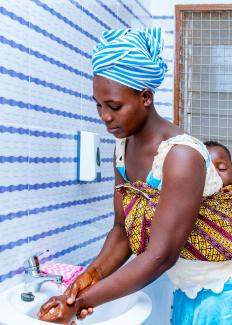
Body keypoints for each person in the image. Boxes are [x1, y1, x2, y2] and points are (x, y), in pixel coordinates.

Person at [37, 27, 232, 325]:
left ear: (145, 97)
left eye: (114, 106)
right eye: (99, 105)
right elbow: (122, 230)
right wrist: (84, 283)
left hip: (223, 296)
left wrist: (83, 303)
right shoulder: (122, 148)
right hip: (190, 291)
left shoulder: (181, 155)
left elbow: (161, 256)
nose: (104, 116)